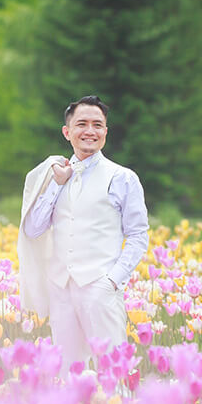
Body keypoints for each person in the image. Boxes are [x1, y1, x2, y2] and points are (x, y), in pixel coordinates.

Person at [20, 95, 149, 370]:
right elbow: (32, 229)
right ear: (67, 132)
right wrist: (57, 184)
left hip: (99, 286)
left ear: (105, 132)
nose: (89, 131)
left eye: (97, 125)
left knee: (113, 369)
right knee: (68, 371)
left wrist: (112, 281)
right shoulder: (54, 174)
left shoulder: (122, 177)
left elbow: (138, 235)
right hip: (61, 287)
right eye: (82, 124)